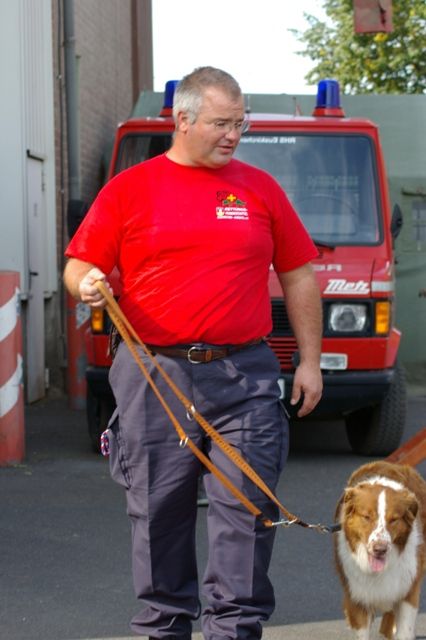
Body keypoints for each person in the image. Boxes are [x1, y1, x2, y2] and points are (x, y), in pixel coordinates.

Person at [64, 66, 323, 640]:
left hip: (244, 374)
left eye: (240, 123)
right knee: (158, 510)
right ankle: (164, 628)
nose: (234, 134)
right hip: (154, 373)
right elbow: (80, 265)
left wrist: (309, 360)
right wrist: (86, 283)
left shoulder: (259, 189)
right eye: (222, 123)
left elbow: (299, 275)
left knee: (247, 509)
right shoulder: (130, 189)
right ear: (182, 120)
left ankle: (235, 629)